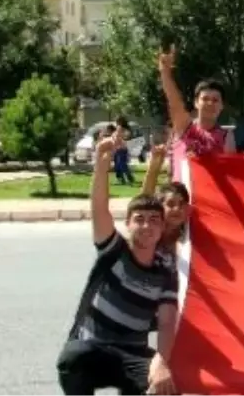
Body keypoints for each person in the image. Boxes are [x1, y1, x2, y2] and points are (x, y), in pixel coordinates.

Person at [56, 134, 178, 396]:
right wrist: (102, 164)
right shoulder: (114, 250)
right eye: (140, 219)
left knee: (165, 386)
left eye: (154, 220)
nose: (147, 226)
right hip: (93, 347)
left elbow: (167, 323)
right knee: (73, 358)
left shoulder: (165, 270)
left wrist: (161, 362)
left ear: (162, 226)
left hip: (132, 353)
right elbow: (100, 207)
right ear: (128, 224)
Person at [158, 45, 234, 181]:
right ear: (196, 103)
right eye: (205, 99)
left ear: (222, 106)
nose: (210, 103)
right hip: (181, 197)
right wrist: (165, 73)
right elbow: (175, 103)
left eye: (215, 100)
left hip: (211, 198)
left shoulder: (226, 137)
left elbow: (232, 174)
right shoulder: (185, 128)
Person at [141, 143, 192, 270]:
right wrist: (154, 166)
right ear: (159, 206)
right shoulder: (151, 233)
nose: (177, 209)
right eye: (170, 204)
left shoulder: (190, 235)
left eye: (181, 204)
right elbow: (144, 201)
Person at [112, 117, 135, 186]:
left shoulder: (122, 128)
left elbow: (124, 137)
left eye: (117, 121)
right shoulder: (122, 129)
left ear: (120, 122)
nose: (116, 122)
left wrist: (119, 138)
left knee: (121, 164)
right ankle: (121, 179)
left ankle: (128, 177)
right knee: (118, 165)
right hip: (118, 148)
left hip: (121, 148)